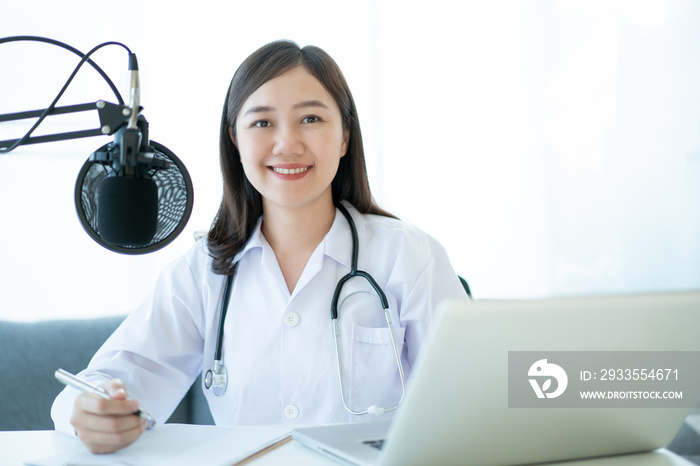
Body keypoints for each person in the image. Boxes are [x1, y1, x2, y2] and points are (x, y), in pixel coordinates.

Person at [51, 39, 467, 454]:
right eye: (262, 123)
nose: (287, 144)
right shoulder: (202, 274)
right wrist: (89, 410)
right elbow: (106, 380)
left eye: (310, 118)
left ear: (344, 136)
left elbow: (477, 389)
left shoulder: (409, 257)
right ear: (235, 140)